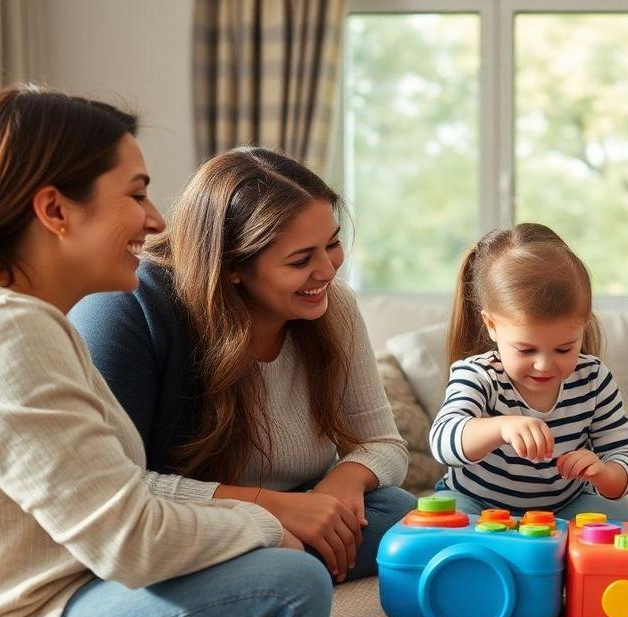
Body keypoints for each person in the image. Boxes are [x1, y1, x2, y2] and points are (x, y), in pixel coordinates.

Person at [0, 86, 330, 617]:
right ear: (55, 211)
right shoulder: (11, 331)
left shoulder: (34, 322)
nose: (156, 220)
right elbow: (132, 542)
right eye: (136, 193)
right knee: (286, 584)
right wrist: (268, 523)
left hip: (83, 592)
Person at [69, 146, 415, 584]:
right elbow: (112, 490)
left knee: (396, 508)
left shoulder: (334, 308)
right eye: (300, 260)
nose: (328, 271)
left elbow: (382, 443)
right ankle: (280, 572)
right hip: (188, 521)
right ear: (232, 265)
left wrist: (340, 486)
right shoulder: (127, 309)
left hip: (301, 503)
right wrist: (272, 509)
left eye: (332, 243)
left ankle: (275, 571)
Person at [428, 223, 628, 521]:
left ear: (583, 327)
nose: (544, 365)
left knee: (623, 518)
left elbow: (627, 456)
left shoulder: (593, 379)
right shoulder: (478, 375)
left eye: (564, 349)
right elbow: (443, 441)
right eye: (526, 350)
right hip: (477, 503)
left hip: (564, 508)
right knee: (445, 520)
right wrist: (500, 428)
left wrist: (604, 473)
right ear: (491, 326)